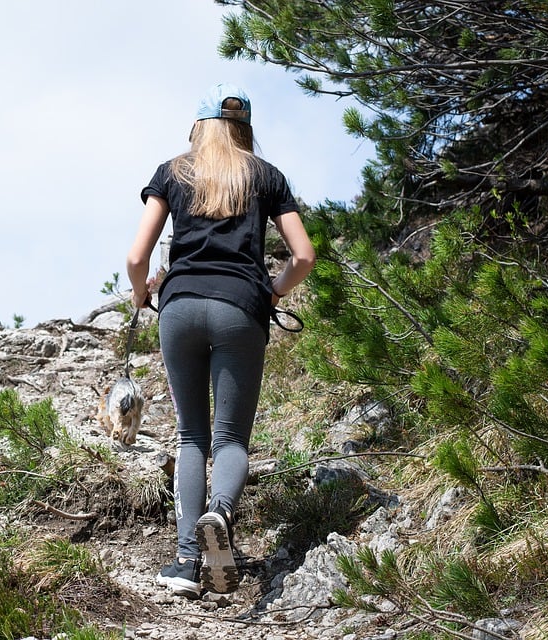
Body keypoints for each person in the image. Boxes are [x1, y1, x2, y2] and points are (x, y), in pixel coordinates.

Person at [126, 83, 315, 599]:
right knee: (230, 439)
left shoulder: (173, 171)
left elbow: (136, 257)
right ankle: (220, 512)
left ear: (199, 126)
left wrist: (142, 294)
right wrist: (272, 293)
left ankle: (188, 561)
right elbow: (302, 256)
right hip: (240, 307)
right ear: (244, 128)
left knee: (191, 436)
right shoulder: (267, 176)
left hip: (181, 304)